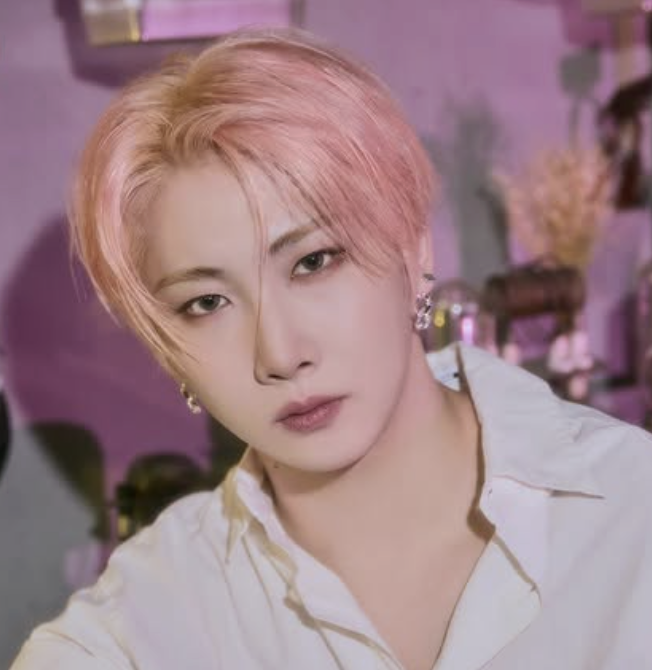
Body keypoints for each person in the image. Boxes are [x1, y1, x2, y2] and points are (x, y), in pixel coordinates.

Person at [11, 27, 652, 670]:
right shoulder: (136, 632)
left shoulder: (631, 510)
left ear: (414, 252)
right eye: (205, 303)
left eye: (314, 261)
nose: (280, 354)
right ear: (167, 350)